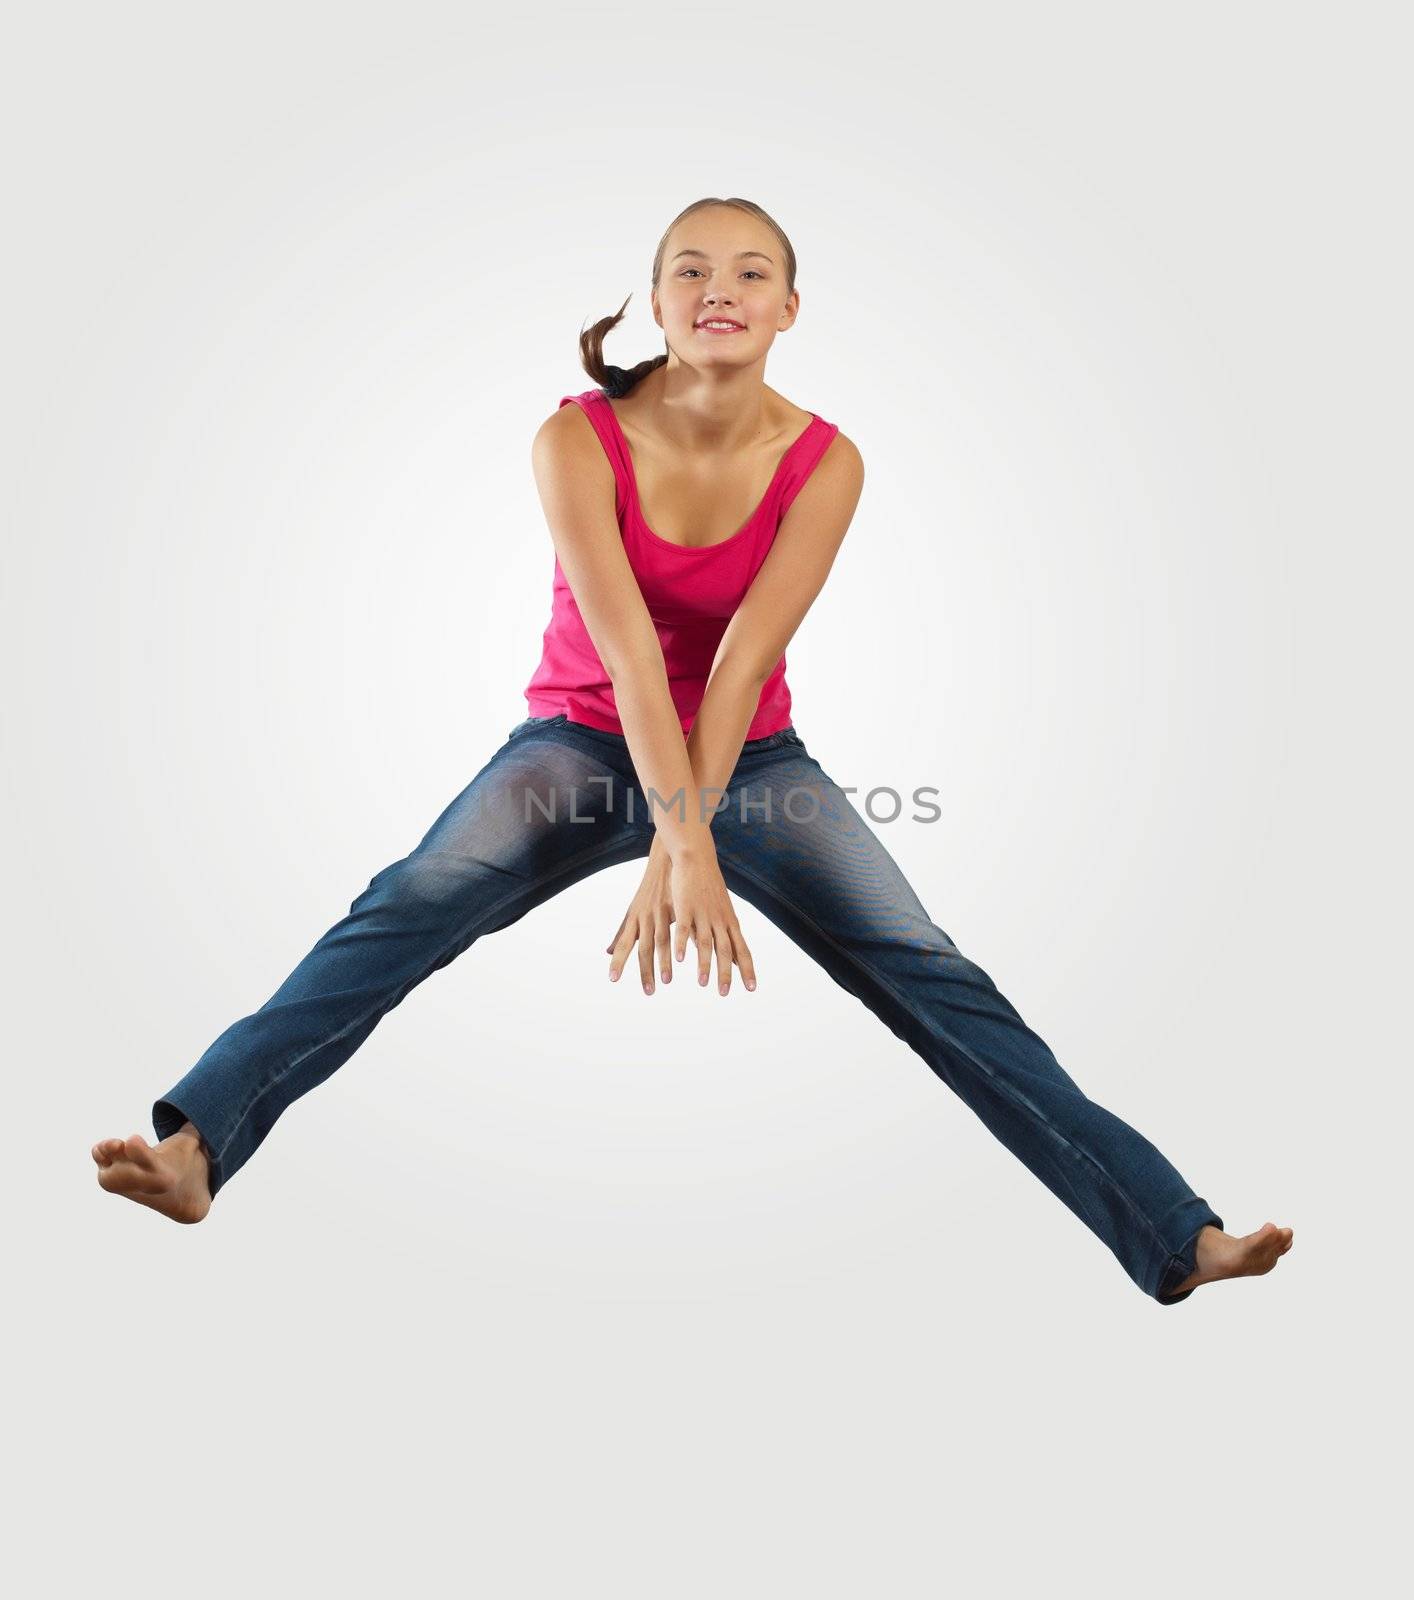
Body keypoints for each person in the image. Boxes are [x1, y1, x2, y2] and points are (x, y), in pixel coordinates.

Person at [92, 195, 1293, 1305]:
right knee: (409, 901)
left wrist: (700, 832)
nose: (720, 287)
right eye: (690, 270)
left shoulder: (827, 460)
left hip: (750, 760)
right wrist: (675, 837)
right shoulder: (574, 439)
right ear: (656, 301)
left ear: (787, 308)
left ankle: (1171, 1232)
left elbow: (737, 663)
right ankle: (200, 1144)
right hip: (579, 740)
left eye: (750, 270)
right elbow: (624, 656)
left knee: (930, 969)